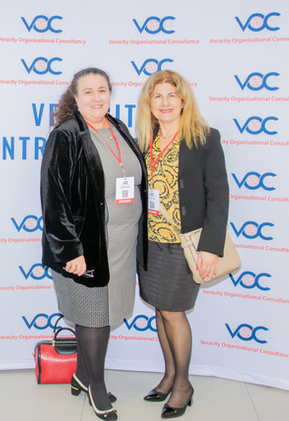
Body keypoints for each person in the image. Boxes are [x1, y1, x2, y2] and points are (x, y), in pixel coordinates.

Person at [41, 67, 148, 421]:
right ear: (75, 97)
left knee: (106, 312)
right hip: (86, 247)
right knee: (93, 316)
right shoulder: (66, 135)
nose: (97, 97)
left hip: (121, 243)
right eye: (88, 91)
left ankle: (81, 376)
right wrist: (71, 251)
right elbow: (53, 199)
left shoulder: (118, 127)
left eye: (102, 90)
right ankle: (96, 387)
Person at [135, 70, 229, 419]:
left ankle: (183, 385)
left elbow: (218, 195)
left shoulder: (204, 138)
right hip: (150, 242)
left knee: (173, 312)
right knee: (160, 310)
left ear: (184, 100)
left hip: (185, 243)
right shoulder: (144, 141)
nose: (165, 102)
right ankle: (170, 376)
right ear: (149, 103)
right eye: (157, 96)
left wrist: (210, 247)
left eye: (171, 95)